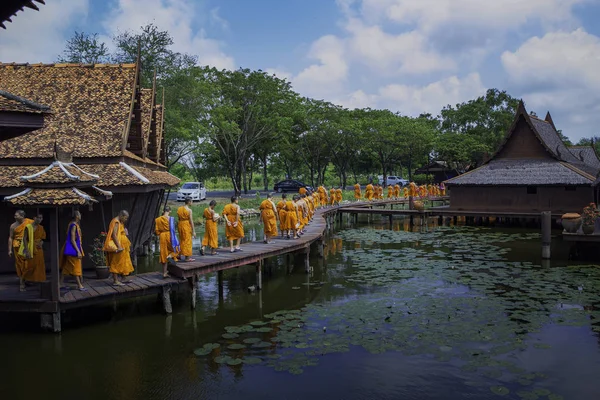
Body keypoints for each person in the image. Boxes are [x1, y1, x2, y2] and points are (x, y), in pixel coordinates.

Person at [105, 210, 134, 286]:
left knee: (123, 261)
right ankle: (115, 280)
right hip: (119, 244)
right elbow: (114, 235)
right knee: (116, 261)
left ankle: (123, 278)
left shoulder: (120, 222)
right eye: (125, 218)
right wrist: (118, 246)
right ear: (121, 216)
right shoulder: (116, 222)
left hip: (123, 244)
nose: (126, 220)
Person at [18, 213, 46, 290]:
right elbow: (24, 239)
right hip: (30, 248)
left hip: (38, 249)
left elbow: (43, 238)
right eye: (38, 217)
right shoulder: (28, 227)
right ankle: (22, 282)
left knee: (39, 266)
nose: (40, 219)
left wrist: (41, 243)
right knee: (29, 266)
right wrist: (27, 250)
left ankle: (39, 281)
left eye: (41, 218)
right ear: (34, 218)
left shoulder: (41, 227)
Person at [59, 211, 86, 291]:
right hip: (73, 249)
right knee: (75, 267)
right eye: (80, 214)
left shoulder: (73, 224)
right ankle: (79, 285)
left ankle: (60, 283)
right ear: (77, 216)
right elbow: (72, 239)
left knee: (66, 267)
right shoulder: (73, 225)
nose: (81, 215)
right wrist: (77, 251)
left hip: (73, 247)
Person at [8, 210, 34, 291]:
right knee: (20, 265)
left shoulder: (30, 222)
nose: (14, 217)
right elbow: (11, 237)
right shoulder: (13, 226)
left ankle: (26, 279)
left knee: (28, 264)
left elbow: (36, 231)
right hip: (18, 246)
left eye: (16, 215)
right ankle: (21, 283)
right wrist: (9, 250)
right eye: (15, 215)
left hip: (28, 246)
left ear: (22, 216)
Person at [155, 207, 180, 278]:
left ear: (163, 211)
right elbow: (173, 229)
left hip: (162, 236)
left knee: (163, 253)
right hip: (170, 235)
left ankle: (164, 273)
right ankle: (170, 256)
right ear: (170, 211)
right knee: (176, 249)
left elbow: (156, 231)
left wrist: (161, 233)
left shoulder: (157, 219)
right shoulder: (171, 219)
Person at [177, 197, 196, 262]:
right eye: (191, 201)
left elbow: (179, 218)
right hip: (186, 225)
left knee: (181, 240)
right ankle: (187, 258)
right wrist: (194, 231)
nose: (192, 203)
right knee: (187, 240)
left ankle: (179, 254)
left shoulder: (179, 209)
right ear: (189, 202)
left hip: (180, 224)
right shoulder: (189, 210)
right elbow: (191, 220)